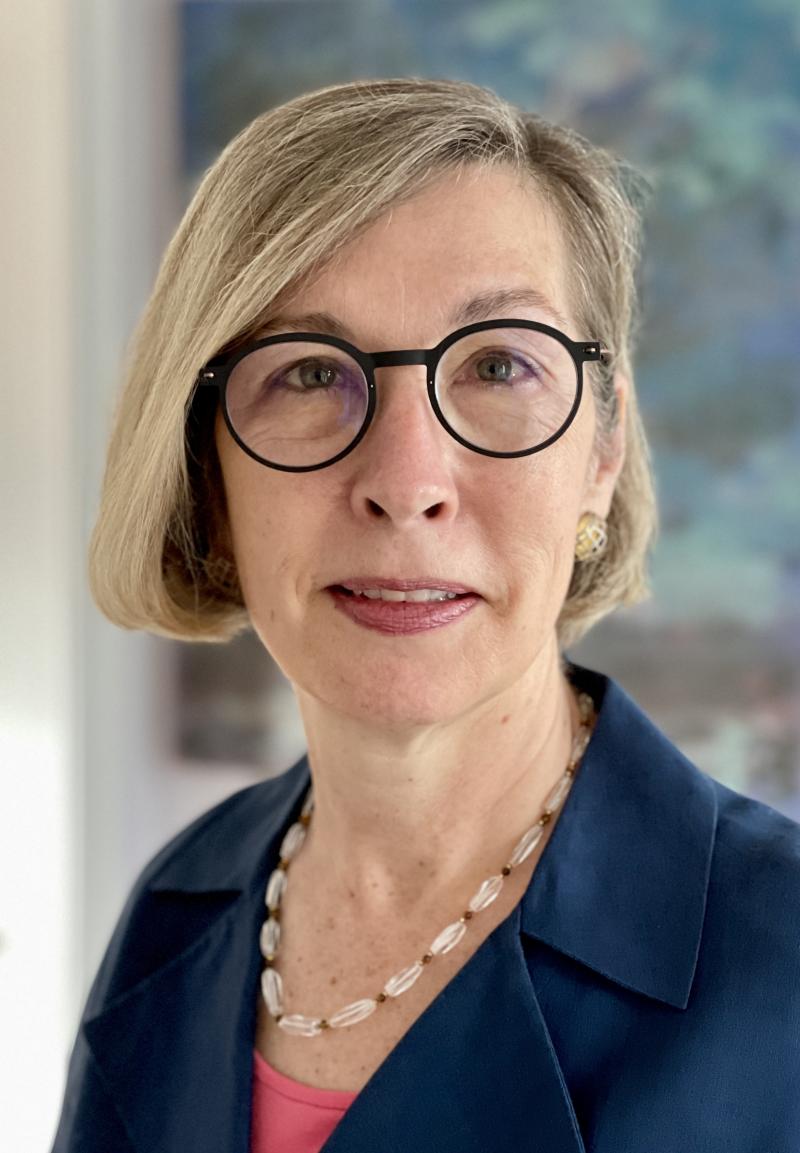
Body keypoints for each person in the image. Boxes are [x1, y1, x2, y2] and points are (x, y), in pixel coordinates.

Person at [51, 77, 800, 1153]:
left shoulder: (778, 958)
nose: (405, 480)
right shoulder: (179, 909)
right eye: (308, 371)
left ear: (599, 452)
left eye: (498, 364)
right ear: (204, 471)